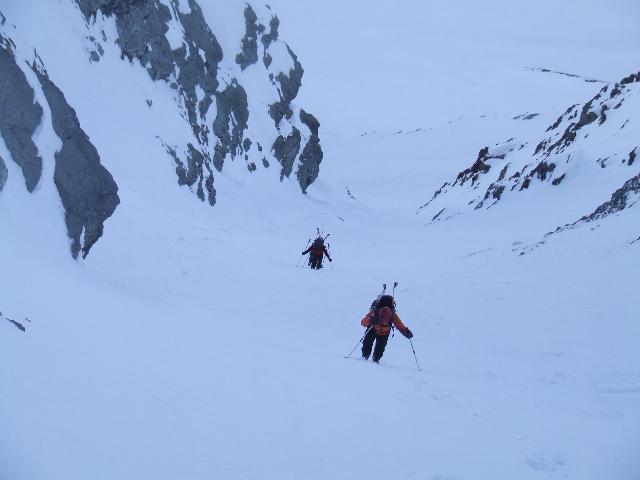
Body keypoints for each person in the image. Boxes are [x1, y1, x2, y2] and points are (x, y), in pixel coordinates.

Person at [361, 294, 413, 363]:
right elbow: (399, 324)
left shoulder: (376, 311)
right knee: (380, 347)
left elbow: (363, 322)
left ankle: (366, 357)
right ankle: (374, 359)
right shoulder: (390, 313)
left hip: (374, 330)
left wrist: (370, 320)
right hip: (383, 332)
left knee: (368, 343)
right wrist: (406, 332)